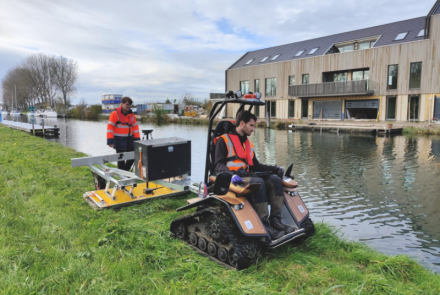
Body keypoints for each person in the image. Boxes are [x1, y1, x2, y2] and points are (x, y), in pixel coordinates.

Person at [215, 110, 295, 240]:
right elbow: (218, 165)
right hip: (234, 178)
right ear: (242, 123)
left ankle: (276, 219)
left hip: (248, 175)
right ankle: (264, 224)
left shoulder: (248, 144)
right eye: (251, 125)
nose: (254, 128)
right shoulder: (223, 140)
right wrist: (231, 175)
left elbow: (256, 166)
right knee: (258, 182)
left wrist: (275, 169)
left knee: (275, 180)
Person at [107, 96, 140, 171]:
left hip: (129, 139)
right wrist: (110, 141)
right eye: (127, 104)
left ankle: (125, 172)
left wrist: (137, 140)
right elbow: (110, 128)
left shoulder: (132, 115)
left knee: (132, 156)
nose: (129, 106)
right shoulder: (114, 114)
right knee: (120, 159)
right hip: (119, 140)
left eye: (130, 105)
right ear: (121, 104)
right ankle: (122, 176)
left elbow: (135, 128)